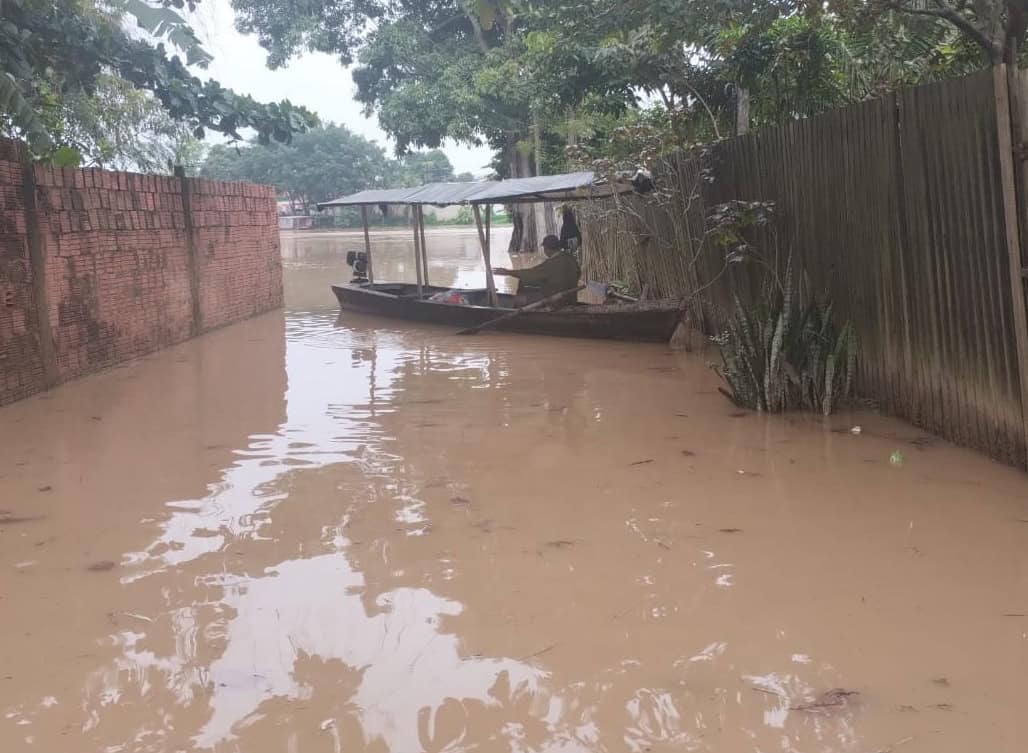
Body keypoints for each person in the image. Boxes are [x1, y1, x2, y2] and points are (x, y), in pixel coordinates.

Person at [492, 235, 581, 300]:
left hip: (556, 300)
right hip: (571, 298)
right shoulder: (570, 257)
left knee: (519, 298)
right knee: (527, 284)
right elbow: (578, 273)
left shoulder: (551, 263)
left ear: (546, 248)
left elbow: (530, 274)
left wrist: (507, 272)